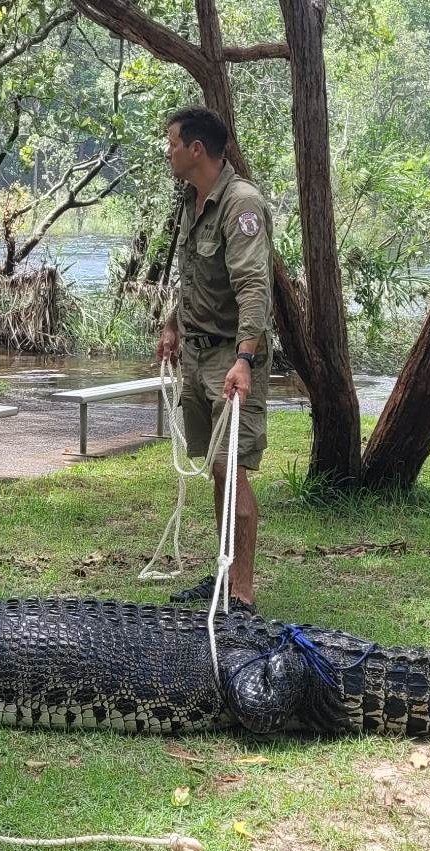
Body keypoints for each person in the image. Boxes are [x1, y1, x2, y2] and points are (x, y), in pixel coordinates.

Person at [156, 106, 272, 615]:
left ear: (196, 149)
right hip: (197, 351)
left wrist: (245, 358)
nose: (168, 150)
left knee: (232, 469)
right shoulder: (190, 199)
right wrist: (172, 324)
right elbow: (191, 274)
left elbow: (253, 286)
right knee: (217, 471)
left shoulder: (240, 203)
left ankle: (241, 594)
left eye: (172, 142)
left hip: (231, 354)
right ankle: (224, 577)